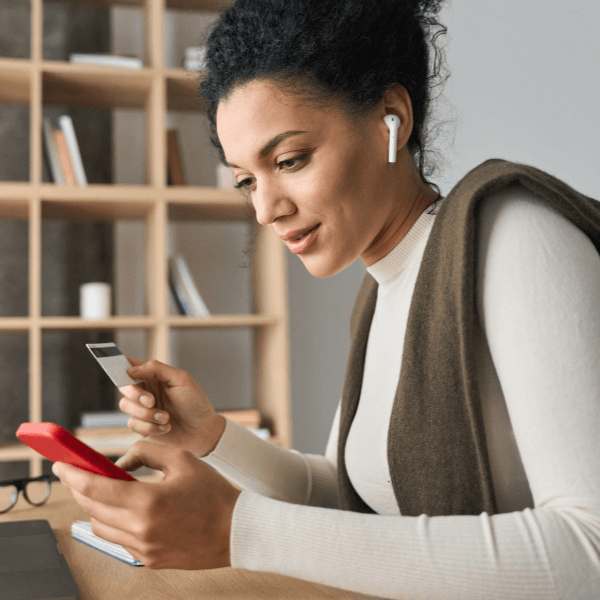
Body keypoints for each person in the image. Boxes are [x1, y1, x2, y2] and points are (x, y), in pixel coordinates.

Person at [52, 0, 600, 598]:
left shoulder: (514, 232)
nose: (265, 209)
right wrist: (211, 437)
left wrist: (237, 528)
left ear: (391, 117)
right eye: (246, 180)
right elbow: (349, 497)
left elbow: (589, 550)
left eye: (288, 160)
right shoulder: (382, 292)